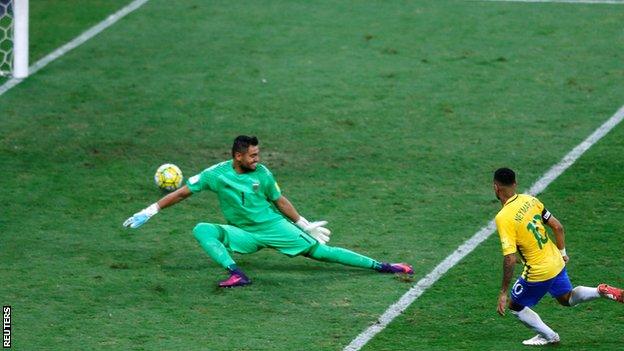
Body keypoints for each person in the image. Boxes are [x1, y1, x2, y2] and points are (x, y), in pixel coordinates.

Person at [124, 135, 413, 287]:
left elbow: (279, 199)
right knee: (202, 229)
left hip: (274, 228)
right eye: (252, 155)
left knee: (321, 253)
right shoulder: (215, 174)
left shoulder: (262, 174)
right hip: (245, 234)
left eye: (258, 154)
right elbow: (183, 192)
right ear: (238, 156)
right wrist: (151, 210)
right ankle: (237, 273)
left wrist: (302, 222)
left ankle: (383, 266)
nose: (257, 158)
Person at [492, 167, 623, 346]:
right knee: (566, 299)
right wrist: (563, 253)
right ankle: (599, 291)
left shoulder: (503, 217)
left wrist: (503, 292)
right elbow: (558, 227)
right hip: (555, 259)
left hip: (538, 270)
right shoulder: (530, 200)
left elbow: (509, 258)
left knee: (515, 306)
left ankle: (549, 336)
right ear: (515, 184)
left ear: (496, 187)